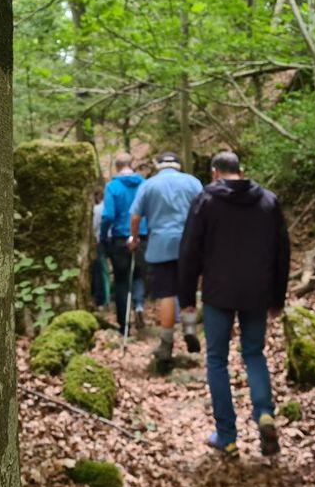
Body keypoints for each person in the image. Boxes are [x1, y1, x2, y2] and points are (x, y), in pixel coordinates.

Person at [178, 151, 290, 458]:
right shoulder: (268, 201)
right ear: (241, 171)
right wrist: (278, 297)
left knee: (217, 359)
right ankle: (264, 413)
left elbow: (189, 251)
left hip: (219, 292)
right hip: (258, 292)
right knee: (253, 353)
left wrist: (186, 299)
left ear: (215, 173)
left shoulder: (205, 201)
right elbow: (282, 251)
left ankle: (227, 437)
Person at [128, 150, 203, 363]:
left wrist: (134, 239)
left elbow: (135, 216)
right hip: (189, 244)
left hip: (160, 245)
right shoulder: (193, 182)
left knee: (167, 294)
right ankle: (190, 329)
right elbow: (204, 211)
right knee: (188, 289)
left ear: (158, 165)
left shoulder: (148, 185)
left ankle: (167, 342)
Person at [100, 153, 148, 335]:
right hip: (141, 236)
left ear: (117, 167)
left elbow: (108, 215)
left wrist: (103, 236)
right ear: (131, 165)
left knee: (121, 281)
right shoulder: (144, 184)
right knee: (138, 275)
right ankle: (139, 305)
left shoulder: (112, 186)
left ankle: (124, 325)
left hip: (120, 238)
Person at [90, 186, 109, 309]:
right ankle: (108, 297)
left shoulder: (96, 209)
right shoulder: (109, 207)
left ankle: (103, 299)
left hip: (101, 240)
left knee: (102, 270)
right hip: (113, 238)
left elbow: (94, 226)